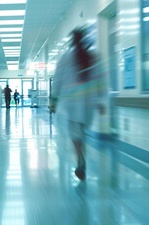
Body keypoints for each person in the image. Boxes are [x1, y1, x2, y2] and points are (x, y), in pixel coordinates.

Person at [50, 26, 106, 181]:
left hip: (71, 103)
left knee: (76, 135)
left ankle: (80, 159)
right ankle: (81, 157)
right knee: (82, 133)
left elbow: (58, 80)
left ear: (73, 41)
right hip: (89, 103)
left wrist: (54, 100)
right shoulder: (94, 57)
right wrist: (100, 100)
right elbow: (101, 79)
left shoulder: (66, 57)